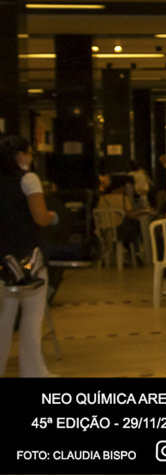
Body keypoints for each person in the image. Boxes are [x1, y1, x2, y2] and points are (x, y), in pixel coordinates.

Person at [0, 135, 57, 377]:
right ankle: (33, 372)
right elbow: (40, 216)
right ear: (19, 155)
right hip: (28, 258)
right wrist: (55, 216)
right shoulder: (29, 179)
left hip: (3, 261)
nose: (31, 158)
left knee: (3, 319)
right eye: (29, 153)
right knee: (32, 316)